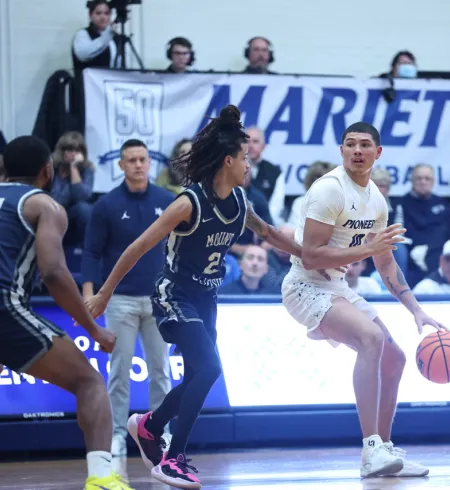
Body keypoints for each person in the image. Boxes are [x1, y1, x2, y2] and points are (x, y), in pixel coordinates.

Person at [84, 105, 326, 489]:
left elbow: (271, 235)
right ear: (228, 161)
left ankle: (150, 425)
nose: (249, 164)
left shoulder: (240, 203)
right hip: (173, 293)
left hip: (206, 300)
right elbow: (138, 247)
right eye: (245, 158)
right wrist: (103, 294)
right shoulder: (188, 203)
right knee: (210, 369)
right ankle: (172, 458)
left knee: (200, 372)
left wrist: (311, 257)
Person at [281, 122, 444, 478]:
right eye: (350, 144)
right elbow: (310, 256)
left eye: (364, 144)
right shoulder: (329, 190)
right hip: (304, 285)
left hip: (336, 285)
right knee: (371, 340)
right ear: (341, 151)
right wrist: (368, 248)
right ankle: (370, 448)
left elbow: (384, 261)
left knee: (395, 359)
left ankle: (384, 451)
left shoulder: (376, 201)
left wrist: (416, 310)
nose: (357, 150)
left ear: (377, 153)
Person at [0, 136, 131, 490]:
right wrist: (95, 330)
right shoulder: (44, 205)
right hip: (5, 307)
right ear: (47, 171)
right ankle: (103, 477)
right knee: (89, 382)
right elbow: (54, 273)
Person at [82, 139, 174, 460]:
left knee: (160, 369)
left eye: (142, 159)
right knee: (119, 371)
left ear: (150, 163)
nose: (137, 164)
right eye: (131, 160)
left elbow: (179, 249)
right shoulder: (106, 206)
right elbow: (92, 252)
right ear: (120, 166)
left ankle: (159, 432)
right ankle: (117, 434)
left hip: (159, 299)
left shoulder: (168, 201)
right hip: (119, 300)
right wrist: (89, 294)